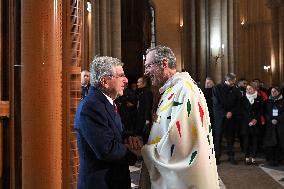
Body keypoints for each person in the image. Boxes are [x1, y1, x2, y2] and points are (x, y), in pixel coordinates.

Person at [141, 46, 219, 189]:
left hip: (182, 180)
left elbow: (182, 141)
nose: (146, 72)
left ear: (164, 64)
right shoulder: (172, 89)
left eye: (148, 66)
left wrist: (146, 150)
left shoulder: (185, 91)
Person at [75, 56, 142, 189]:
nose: (126, 80)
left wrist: (128, 140)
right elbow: (106, 149)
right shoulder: (91, 106)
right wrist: (137, 153)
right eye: (121, 76)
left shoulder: (106, 102)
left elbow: (114, 135)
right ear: (105, 81)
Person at [212, 73, 241, 165]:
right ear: (227, 80)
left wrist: (231, 112)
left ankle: (231, 156)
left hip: (231, 117)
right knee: (218, 137)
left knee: (231, 137)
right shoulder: (216, 88)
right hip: (220, 117)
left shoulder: (235, 89)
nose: (234, 84)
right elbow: (216, 103)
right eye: (232, 82)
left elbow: (238, 103)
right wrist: (225, 113)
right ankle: (216, 157)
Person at [240, 82, 262, 165]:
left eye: (250, 88)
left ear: (254, 89)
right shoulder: (243, 98)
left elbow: (261, 110)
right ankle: (246, 157)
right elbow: (242, 110)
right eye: (247, 89)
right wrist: (250, 120)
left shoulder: (259, 98)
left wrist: (255, 119)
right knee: (246, 141)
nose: (248, 90)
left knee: (255, 141)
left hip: (256, 123)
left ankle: (253, 158)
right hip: (246, 123)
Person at [264, 86, 284, 166]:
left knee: (280, 141)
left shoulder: (283, 101)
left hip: (280, 124)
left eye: (275, 91)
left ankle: (279, 159)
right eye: (272, 91)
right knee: (270, 142)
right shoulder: (267, 101)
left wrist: (278, 119)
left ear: (279, 92)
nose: (273, 92)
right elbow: (265, 112)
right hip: (270, 124)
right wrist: (270, 119)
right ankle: (271, 159)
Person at [135, 76, 153, 143]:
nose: (137, 84)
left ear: (144, 83)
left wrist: (147, 119)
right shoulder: (142, 92)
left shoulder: (147, 92)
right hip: (140, 117)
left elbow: (148, 106)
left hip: (144, 119)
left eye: (139, 82)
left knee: (143, 135)